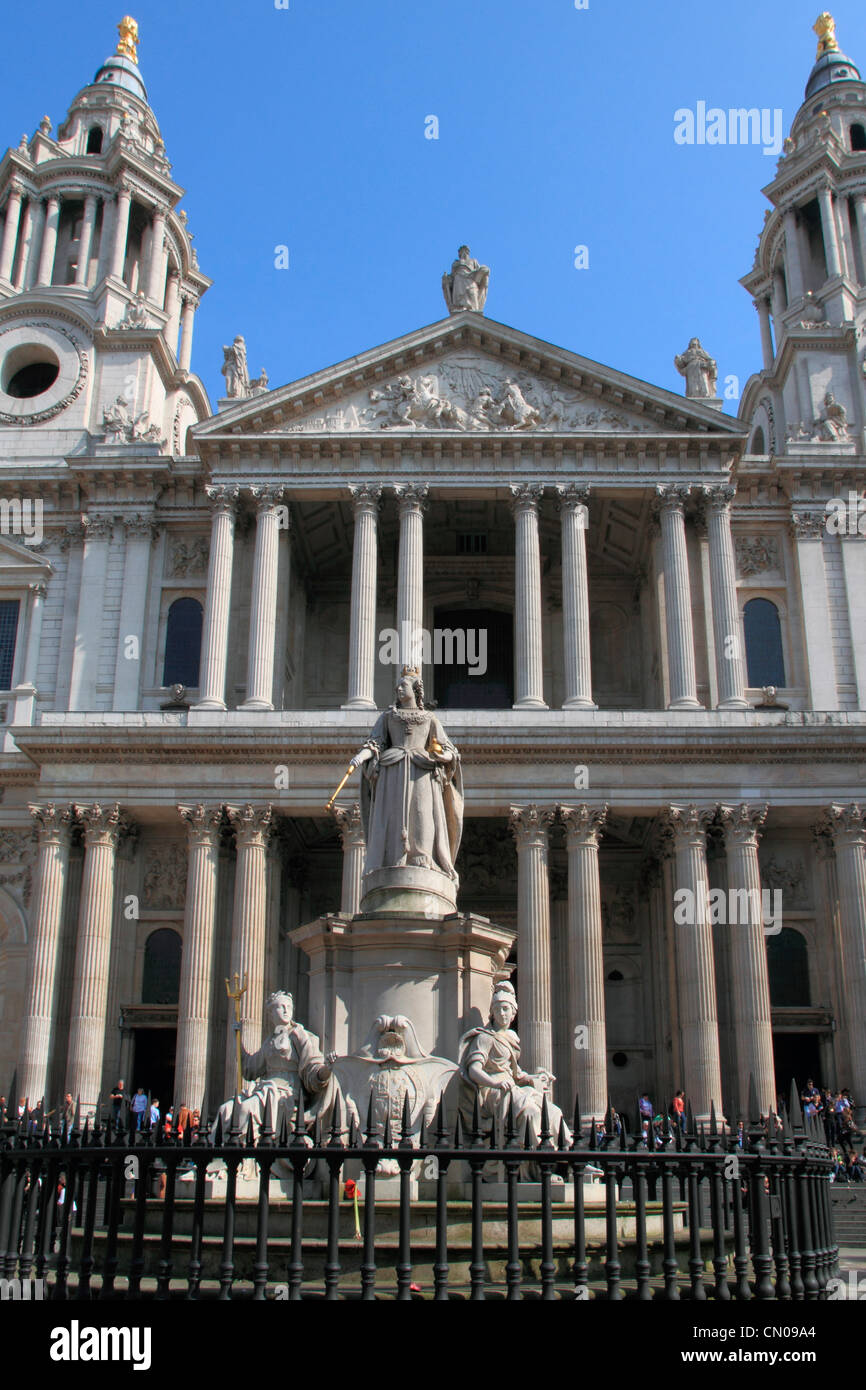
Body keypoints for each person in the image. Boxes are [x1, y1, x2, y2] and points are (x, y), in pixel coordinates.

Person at [349, 668, 463, 885]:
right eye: (398, 686)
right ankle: (394, 857)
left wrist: (444, 755)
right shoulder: (388, 717)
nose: (399, 689)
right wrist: (360, 757)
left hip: (422, 769)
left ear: (415, 690)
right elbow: (375, 743)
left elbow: (449, 749)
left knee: (422, 813)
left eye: (403, 685)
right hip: (393, 767)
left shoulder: (429, 718)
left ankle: (422, 856)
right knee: (392, 814)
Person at [458, 979, 571, 1148]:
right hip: (493, 1091)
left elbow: (516, 1073)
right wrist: (494, 1082)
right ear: (492, 1013)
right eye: (498, 1009)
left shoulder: (511, 1038)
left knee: (553, 1111)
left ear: (513, 1013)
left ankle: (567, 1156)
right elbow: (474, 1070)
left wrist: (537, 1077)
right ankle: (531, 1161)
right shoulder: (485, 1038)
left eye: (506, 1009)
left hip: (512, 1086)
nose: (502, 1013)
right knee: (530, 1112)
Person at [214, 989, 336, 1143]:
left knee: (246, 1110)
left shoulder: (299, 1035)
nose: (286, 1010)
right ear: (271, 1014)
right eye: (281, 1007)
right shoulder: (270, 1041)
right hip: (266, 1090)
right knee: (225, 1110)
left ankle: (242, 1161)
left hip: (287, 1093)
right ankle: (216, 1160)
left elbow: (312, 1068)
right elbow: (250, 1069)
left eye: (289, 1007)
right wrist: (237, 1039)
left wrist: (326, 1069)